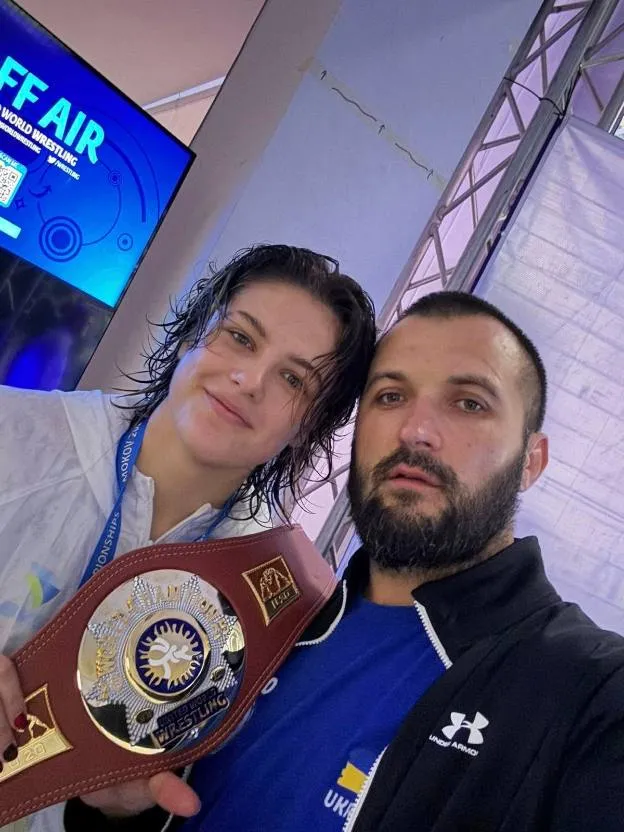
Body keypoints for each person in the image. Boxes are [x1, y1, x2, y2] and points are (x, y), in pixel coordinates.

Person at [65, 290, 624, 831]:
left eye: (469, 403)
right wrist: (120, 813)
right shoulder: (268, 623)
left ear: (531, 461)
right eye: (390, 396)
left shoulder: (591, 693)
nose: (415, 431)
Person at [0, 244, 377, 831]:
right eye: (241, 338)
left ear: (310, 427)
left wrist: (123, 813)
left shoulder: (277, 604)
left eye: (293, 379)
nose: (249, 380)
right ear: (191, 337)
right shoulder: (16, 436)